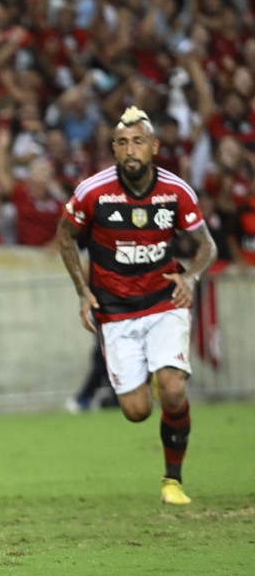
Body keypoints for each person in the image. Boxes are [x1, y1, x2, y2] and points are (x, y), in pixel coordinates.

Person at [57, 106, 217, 506]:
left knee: (173, 389)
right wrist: (82, 291)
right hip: (115, 308)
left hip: (165, 299)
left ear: (155, 147)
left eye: (139, 142)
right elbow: (64, 236)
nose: (131, 150)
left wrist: (191, 277)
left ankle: (172, 481)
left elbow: (206, 246)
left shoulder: (176, 192)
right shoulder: (93, 191)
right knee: (135, 410)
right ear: (113, 149)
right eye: (123, 143)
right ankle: (146, 374)